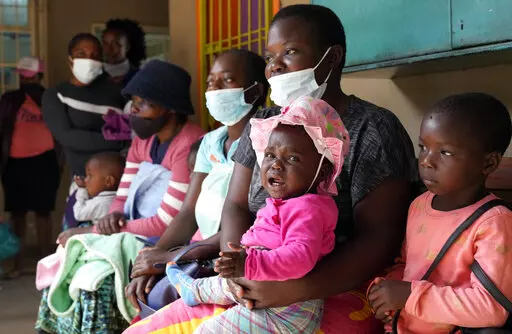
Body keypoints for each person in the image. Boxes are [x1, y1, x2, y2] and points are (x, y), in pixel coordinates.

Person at [122, 4, 418, 333]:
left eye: (289, 52)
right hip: (250, 275)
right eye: (270, 57)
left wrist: (296, 287)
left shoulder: (372, 129)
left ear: (332, 58)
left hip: (328, 286)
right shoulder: (264, 122)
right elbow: (235, 205)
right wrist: (239, 270)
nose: (274, 66)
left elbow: (379, 236)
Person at [35, 60, 204, 334]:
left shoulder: (189, 144)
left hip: (165, 239)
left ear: (171, 108)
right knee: (67, 263)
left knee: (97, 280)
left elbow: (165, 222)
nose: (134, 110)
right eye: (133, 102)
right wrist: (113, 215)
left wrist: (95, 230)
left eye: (144, 103)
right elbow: (122, 194)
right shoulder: (143, 139)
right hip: (129, 230)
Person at [161, 97, 349, 333]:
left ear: (321, 172)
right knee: (227, 282)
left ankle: (199, 291)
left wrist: (249, 262)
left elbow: (300, 257)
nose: (276, 165)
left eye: (292, 158)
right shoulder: (284, 202)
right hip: (271, 291)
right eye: (270, 155)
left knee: (206, 331)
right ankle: (195, 291)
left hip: (287, 310)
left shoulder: (308, 209)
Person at [125, 49, 269, 310]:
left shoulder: (266, 142)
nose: (214, 89)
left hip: (233, 255)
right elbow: (188, 212)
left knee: (162, 299)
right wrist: (152, 259)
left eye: (226, 80)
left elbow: (250, 223)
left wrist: (170, 257)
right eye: (211, 82)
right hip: (198, 247)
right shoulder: (210, 142)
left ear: (254, 91)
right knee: (145, 289)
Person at [367, 93, 512, 334]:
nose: (426, 162)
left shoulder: (494, 223)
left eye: (445, 152)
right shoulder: (419, 206)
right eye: (423, 147)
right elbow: (408, 265)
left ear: (488, 163)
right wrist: (385, 291)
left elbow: (492, 307)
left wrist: (410, 296)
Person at [0, 56, 61, 278]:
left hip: (45, 162)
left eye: (31, 77)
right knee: (17, 215)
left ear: (40, 76)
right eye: (23, 78)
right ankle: (17, 264)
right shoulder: (9, 100)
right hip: (15, 163)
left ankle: (47, 265)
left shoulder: (50, 99)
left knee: (44, 214)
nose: (27, 82)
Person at [42, 33, 126, 181]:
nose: (89, 60)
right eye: (81, 54)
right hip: (85, 182)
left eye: (95, 55)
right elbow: (68, 137)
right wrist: (117, 141)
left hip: (122, 179)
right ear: (70, 59)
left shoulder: (117, 91)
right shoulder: (56, 95)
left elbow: (131, 128)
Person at [71, 151, 125, 226]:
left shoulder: (100, 203)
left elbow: (78, 213)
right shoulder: (122, 198)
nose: (86, 180)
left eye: (90, 175)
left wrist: (82, 189)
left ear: (109, 181)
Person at [102, 18, 146, 86]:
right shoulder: (94, 74)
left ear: (127, 46)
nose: (109, 49)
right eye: (105, 43)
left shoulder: (140, 77)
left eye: (116, 44)